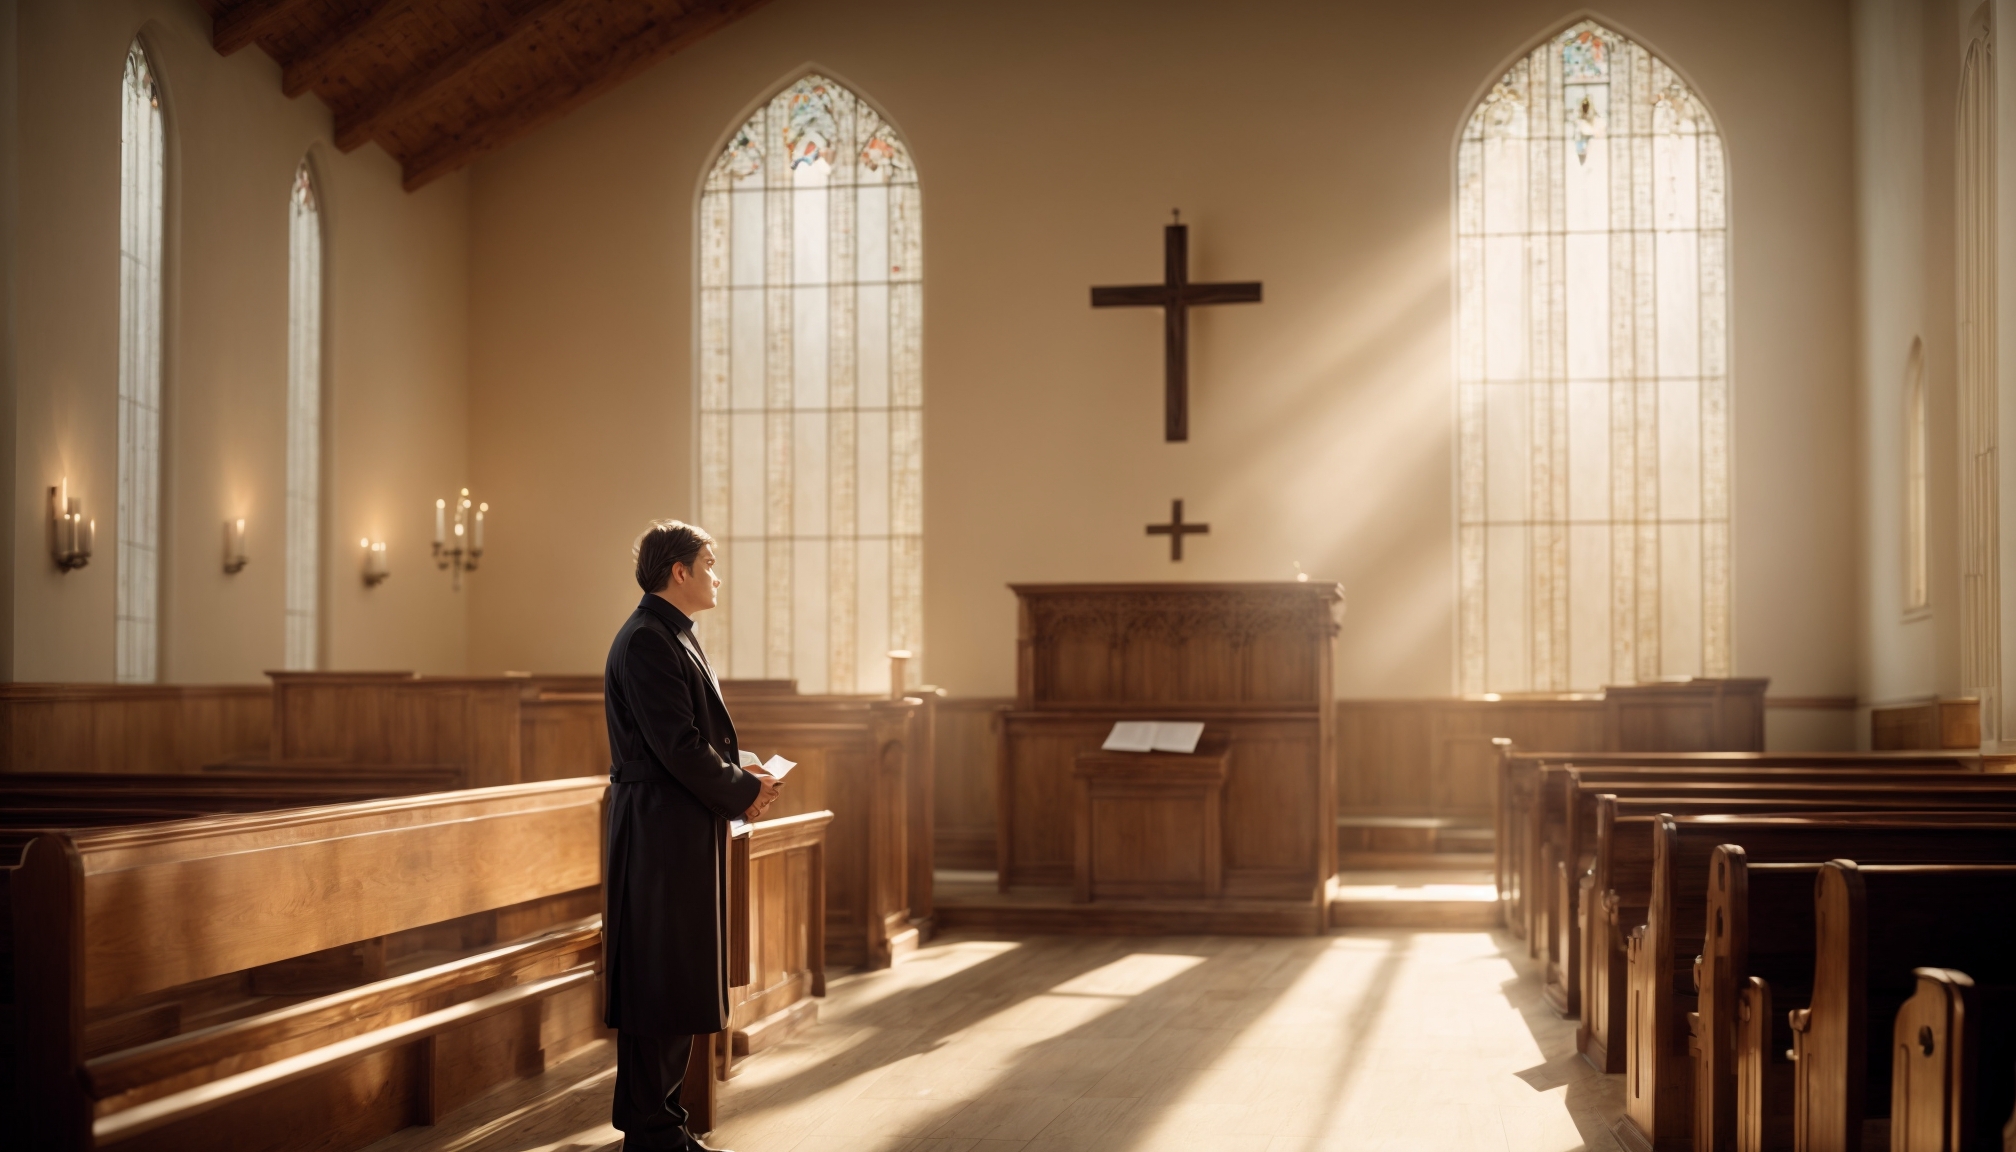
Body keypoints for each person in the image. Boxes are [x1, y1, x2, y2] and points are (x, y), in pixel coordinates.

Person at [602, 520, 782, 1151]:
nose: (716, 576)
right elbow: (676, 747)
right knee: (661, 978)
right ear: (678, 571)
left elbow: (686, 739)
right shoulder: (649, 640)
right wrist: (742, 790)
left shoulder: (668, 633)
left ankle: (660, 1128)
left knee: (675, 976)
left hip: (676, 824)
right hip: (659, 831)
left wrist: (741, 770)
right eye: (709, 564)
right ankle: (653, 1134)